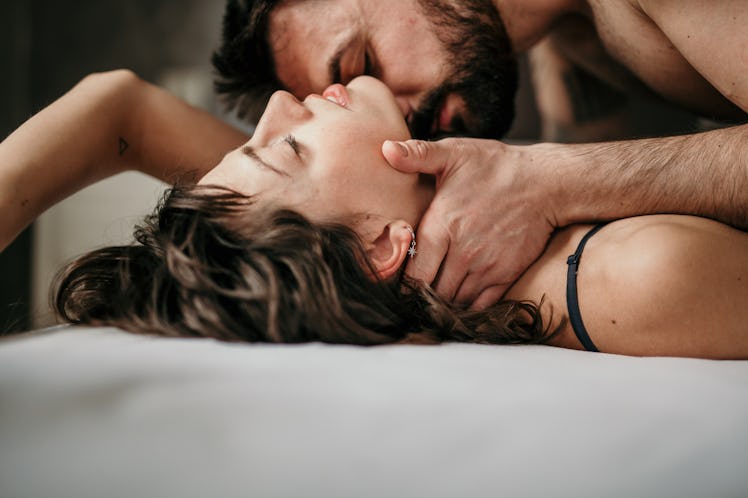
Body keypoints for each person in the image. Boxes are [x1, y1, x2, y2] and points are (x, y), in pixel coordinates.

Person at [2, 71, 747, 358]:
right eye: (287, 147)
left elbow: (120, 105)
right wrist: (551, 176)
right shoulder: (637, 277)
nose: (272, 106)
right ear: (384, 251)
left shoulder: (348, 237)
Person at [211, 0, 748, 309]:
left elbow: (560, 193)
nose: (403, 117)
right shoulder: (565, 44)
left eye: (362, 60)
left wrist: (552, 180)